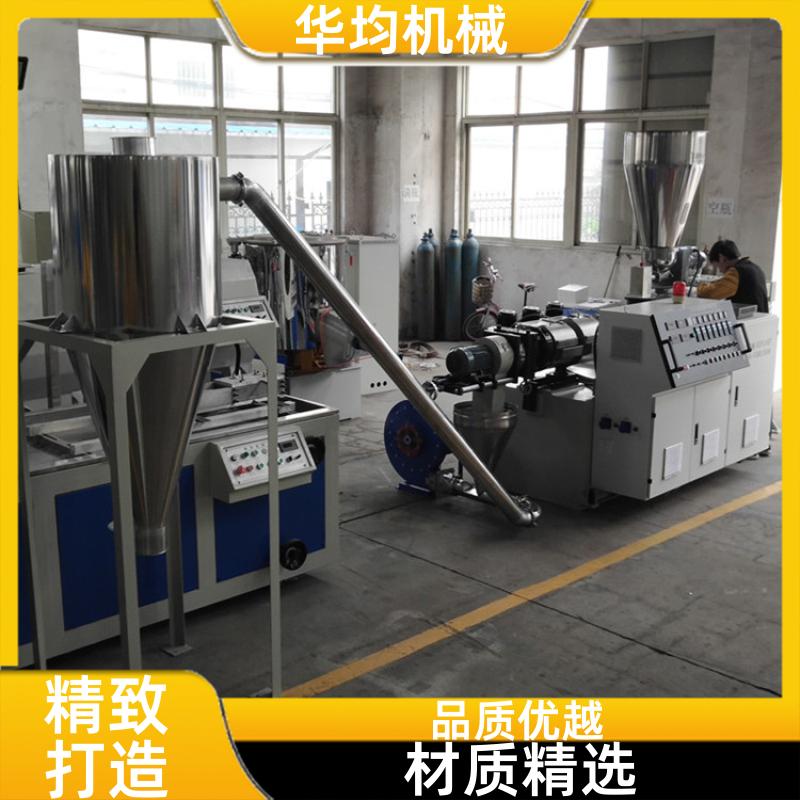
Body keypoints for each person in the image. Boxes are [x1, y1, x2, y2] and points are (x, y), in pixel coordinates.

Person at [697, 239, 770, 312]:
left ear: (722, 258)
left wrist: (697, 289)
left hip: (749, 318)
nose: (720, 271)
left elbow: (710, 294)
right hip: (760, 316)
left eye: (718, 267)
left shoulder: (737, 271)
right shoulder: (754, 267)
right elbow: (724, 283)